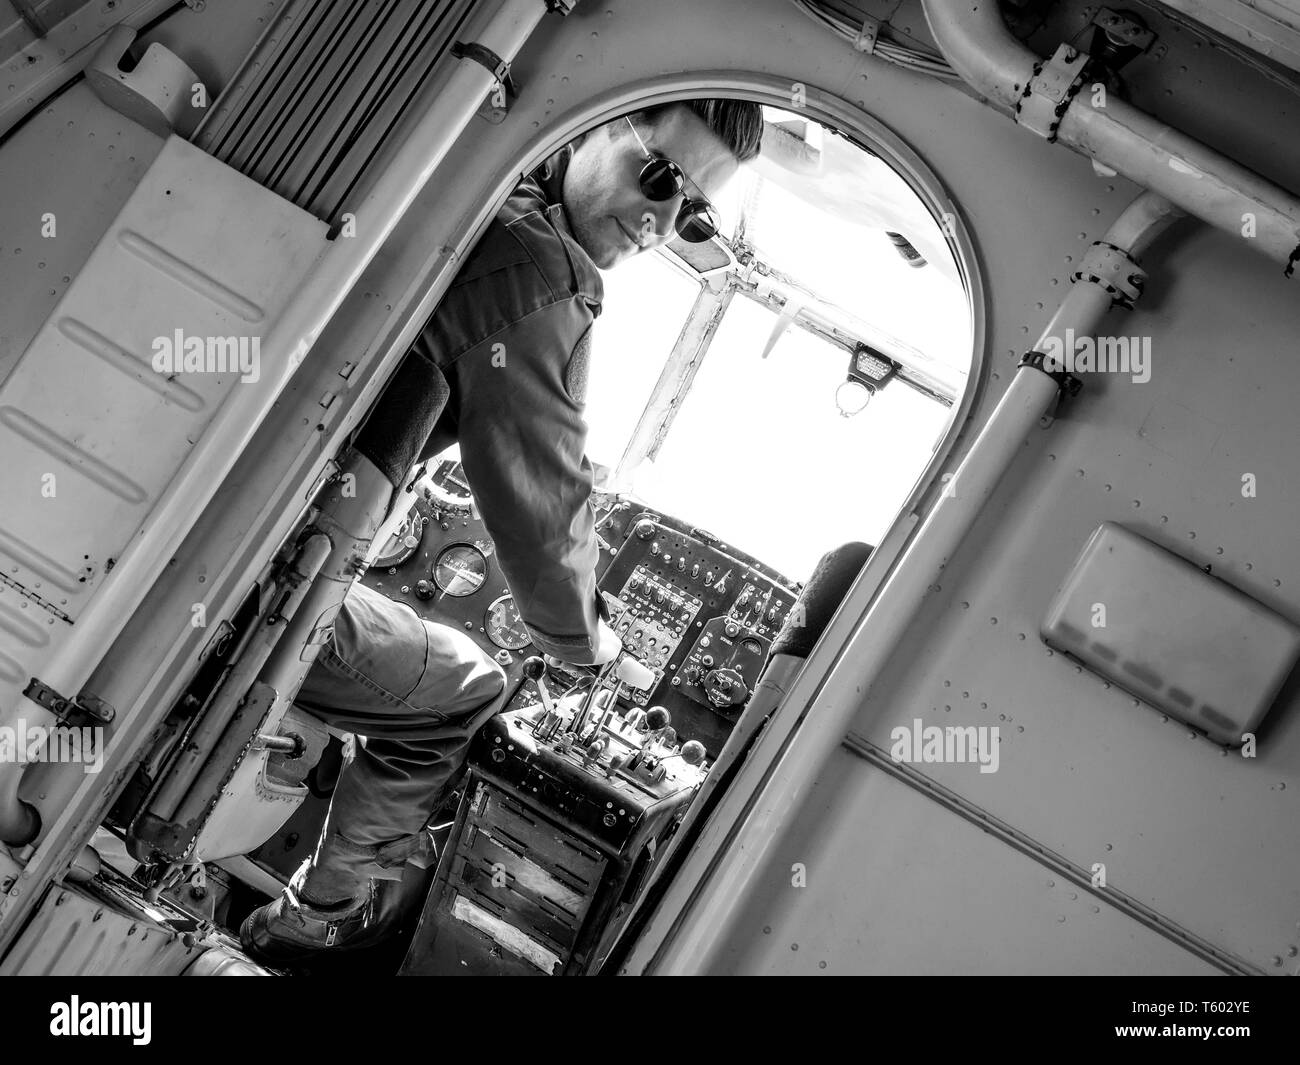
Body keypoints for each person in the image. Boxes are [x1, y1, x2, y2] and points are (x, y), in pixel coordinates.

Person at [240, 99, 763, 963]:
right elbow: (544, 513)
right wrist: (592, 643)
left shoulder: (485, 192)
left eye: (694, 211)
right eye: (662, 176)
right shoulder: (542, 276)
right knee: (468, 686)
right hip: (265, 583)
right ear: (601, 126)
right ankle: (317, 916)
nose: (664, 219)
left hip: (239, 540)